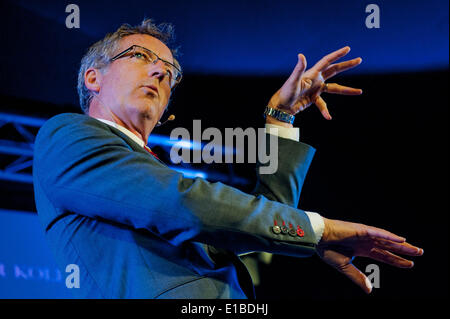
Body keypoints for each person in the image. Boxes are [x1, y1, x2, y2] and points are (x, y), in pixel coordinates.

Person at [33, 19, 423, 299]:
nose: (159, 71)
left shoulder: (146, 171)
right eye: (138, 55)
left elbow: (258, 221)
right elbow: (185, 205)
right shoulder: (67, 135)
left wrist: (280, 120)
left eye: (171, 72)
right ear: (92, 78)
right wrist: (319, 231)